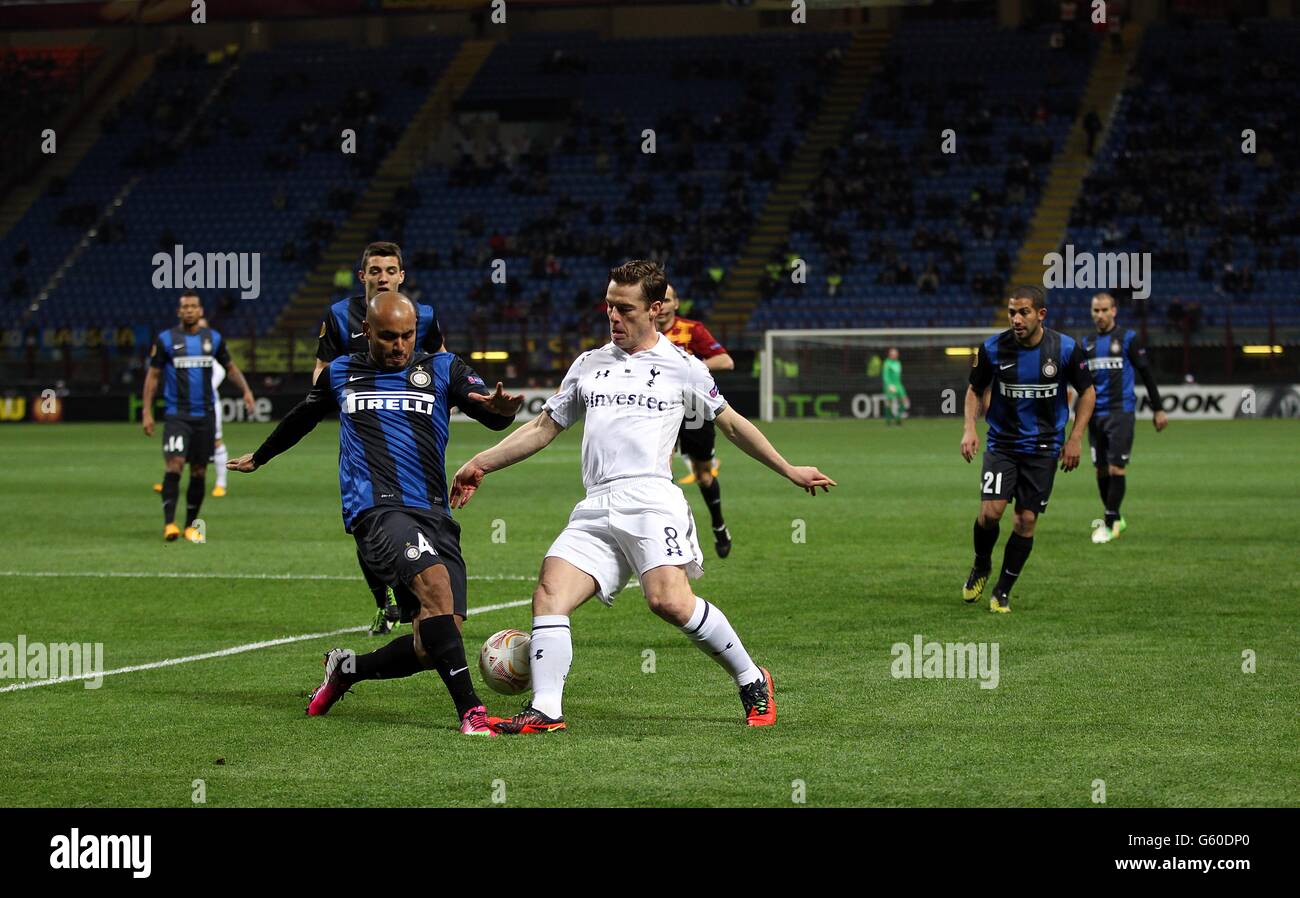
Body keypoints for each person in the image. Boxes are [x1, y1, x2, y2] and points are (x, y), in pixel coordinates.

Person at [450, 260, 836, 734]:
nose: (613, 316)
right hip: (596, 503)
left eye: (624, 308)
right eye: (609, 305)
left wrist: (790, 470)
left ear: (655, 309)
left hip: (652, 499)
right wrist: (480, 461)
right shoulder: (588, 364)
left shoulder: (684, 367)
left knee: (668, 602)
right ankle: (546, 710)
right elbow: (542, 427)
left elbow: (732, 423)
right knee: (550, 594)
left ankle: (753, 678)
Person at [228, 292, 522, 735]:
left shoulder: (442, 368)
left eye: (407, 335)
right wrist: (261, 456)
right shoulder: (342, 372)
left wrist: (499, 412)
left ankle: (348, 669)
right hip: (377, 510)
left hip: (434, 512)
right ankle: (473, 715)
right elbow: (303, 417)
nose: (399, 345)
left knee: (435, 642)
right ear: (367, 332)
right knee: (437, 589)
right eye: (388, 336)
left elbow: (488, 409)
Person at [313, 240, 447, 636]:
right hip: (363, 434)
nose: (383, 277)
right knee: (364, 515)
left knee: (416, 512)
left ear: (402, 276)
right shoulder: (340, 315)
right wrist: (328, 403)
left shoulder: (421, 315)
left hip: (410, 433)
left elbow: (441, 359)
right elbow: (322, 369)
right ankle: (384, 602)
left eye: (390, 271)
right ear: (363, 276)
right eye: (375, 271)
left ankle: (418, 593)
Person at [960, 285, 1095, 613]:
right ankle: (981, 564)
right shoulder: (993, 348)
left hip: (1044, 447)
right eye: (1011, 312)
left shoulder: (1065, 349)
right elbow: (974, 389)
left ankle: (1003, 590)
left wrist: (1075, 438)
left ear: (1040, 314)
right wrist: (969, 429)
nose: (1016, 319)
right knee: (990, 513)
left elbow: (1087, 392)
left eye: (1023, 312)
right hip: (1003, 444)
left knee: (1025, 521)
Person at [142, 293, 254, 542]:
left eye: (194, 306)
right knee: (175, 465)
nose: (190, 310)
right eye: (185, 307)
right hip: (177, 416)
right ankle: (169, 524)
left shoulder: (212, 339)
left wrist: (246, 391)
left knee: (200, 471)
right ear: (179, 312)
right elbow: (153, 376)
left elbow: (231, 368)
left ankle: (191, 526)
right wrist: (147, 411)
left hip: (205, 416)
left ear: (200, 311)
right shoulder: (166, 340)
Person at [655, 283, 736, 557]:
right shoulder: (643, 333)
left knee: (703, 476)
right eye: (658, 300)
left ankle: (718, 525)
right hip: (658, 412)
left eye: (667, 300)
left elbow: (725, 361)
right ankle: (667, 537)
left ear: (676, 303)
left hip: (694, 413)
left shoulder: (692, 330)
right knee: (658, 473)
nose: (663, 305)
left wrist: (688, 364)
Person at [1081, 292, 1169, 544]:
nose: (1099, 315)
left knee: (1116, 467)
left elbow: (1146, 373)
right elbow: (1082, 384)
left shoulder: (1128, 339)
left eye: (1104, 310)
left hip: (1120, 412)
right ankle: (1115, 517)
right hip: (1094, 414)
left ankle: (1109, 524)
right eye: (1095, 311)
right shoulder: (1086, 343)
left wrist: (1158, 408)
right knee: (1099, 470)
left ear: (1114, 311)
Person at [881, 346, 909, 426]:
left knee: (904, 400)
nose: (895, 355)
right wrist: (889, 385)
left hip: (898, 384)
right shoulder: (887, 363)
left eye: (896, 354)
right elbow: (885, 375)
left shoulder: (898, 363)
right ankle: (888, 420)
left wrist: (899, 385)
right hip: (890, 384)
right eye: (893, 354)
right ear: (890, 355)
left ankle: (898, 418)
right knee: (889, 402)